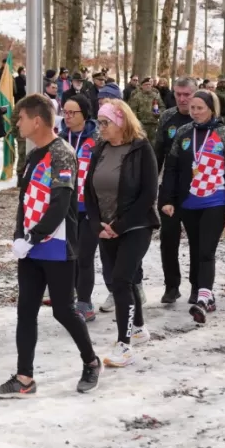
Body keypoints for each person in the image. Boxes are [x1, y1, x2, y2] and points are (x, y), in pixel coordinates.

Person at [0, 94, 102, 397]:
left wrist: (34, 237)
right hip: (31, 246)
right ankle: (25, 378)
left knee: (63, 311)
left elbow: (60, 204)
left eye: (21, 118)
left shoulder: (62, 153)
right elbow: (25, 202)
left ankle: (91, 361)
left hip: (57, 246)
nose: (17, 123)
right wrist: (18, 236)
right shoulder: (34, 154)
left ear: (37, 120)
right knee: (26, 311)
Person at [83, 100, 160, 367]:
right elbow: (88, 190)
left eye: (105, 123)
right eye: (99, 123)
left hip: (136, 226)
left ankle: (124, 345)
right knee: (124, 280)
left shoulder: (141, 149)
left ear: (121, 122)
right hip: (105, 228)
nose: (100, 128)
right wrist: (96, 224)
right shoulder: (100, 149)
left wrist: (120, 225)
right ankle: (138, 327)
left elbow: (148, 194)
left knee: (121, 280)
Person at [159, 91, 225, 323]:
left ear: (211, 109)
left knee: (207, 250)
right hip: (188, 201)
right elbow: (172, 169)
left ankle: (204, 297)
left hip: (215, 200)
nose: (194, 112)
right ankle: (199, 289)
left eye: (199, 108)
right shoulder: (184, 133)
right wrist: (167, 199)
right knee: (196, 247)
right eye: (192, 108)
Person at [60, 94, 111, 321]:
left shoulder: (97, 139)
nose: (67, 117)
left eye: (73, 112)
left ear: (84, 114)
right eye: (65, 112)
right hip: (66, 207)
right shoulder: (60, 138)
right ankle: (71, 299)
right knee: (69, 256)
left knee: (85, 256)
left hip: (90, 207)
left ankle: (85, 303)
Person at [155, 77, 197, 304]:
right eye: (178, 94)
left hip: (197, 189)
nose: (182, 99)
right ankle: (172, 286)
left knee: (196, 240)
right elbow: (158, 153)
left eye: (186, 94)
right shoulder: (167, 117)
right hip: (169, 189)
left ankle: (197, 286)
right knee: (169, 238)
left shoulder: (204, 115)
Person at [127, 76, 165, 146]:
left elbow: (162, 107)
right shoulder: (137, 97)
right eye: (145, 85)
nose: (148, 86)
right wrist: (136, 122)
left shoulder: (155, 96)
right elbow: (133, 111)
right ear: (142, 86)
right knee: (140, 143)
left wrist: (159, 112)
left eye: (149, 84)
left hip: (153, 124)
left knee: (153, 144)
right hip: (141, 124)